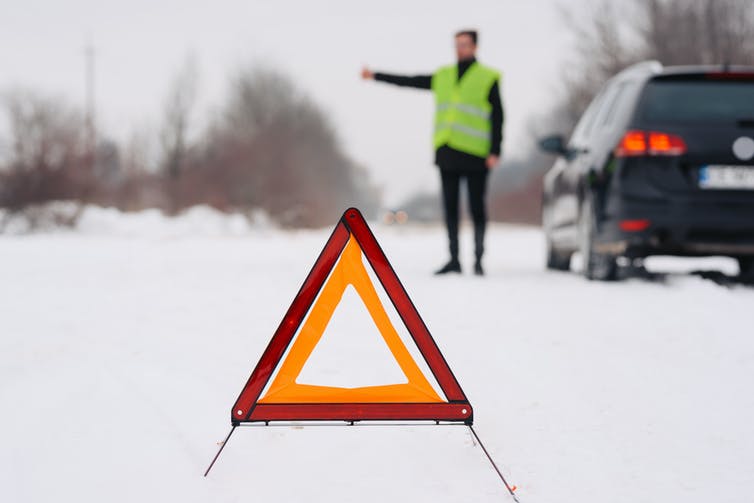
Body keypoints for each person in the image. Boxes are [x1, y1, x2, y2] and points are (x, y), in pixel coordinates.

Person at [361, 29, 503, 276]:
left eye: (465, 44)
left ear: (475, 47)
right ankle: (454, 259)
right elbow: (410, 81)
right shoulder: (443, 76)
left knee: (476, 206)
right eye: (457, 44)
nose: (460, 49)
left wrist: (495, 150)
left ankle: (479, 260)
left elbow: (498, 116)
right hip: (447, 150)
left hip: (476, 154)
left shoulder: (487, 77)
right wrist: (375, 75)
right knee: (450, 207)